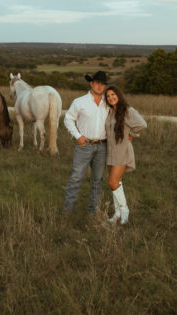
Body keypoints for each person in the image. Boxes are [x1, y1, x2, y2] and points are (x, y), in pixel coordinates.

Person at [62, 71, 110, 215]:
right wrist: (78, 135)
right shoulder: (80, 101)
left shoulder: (108, 103)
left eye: (103, 84)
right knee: (76, 178)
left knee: (97, 180)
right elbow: (68, 119)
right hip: (84, 145)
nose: (100, 86)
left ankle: (94, 212)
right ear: (91, 83)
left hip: (102, 146)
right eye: (97, 83)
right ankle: (68, 212)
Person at [104, 85, 147, 224]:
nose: (111, 98)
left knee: (112, 182)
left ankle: (125, 212)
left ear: (118, 95)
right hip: (110, 152)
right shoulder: (110, 112)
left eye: (113, 94)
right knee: (116, 183)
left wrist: (131, 134)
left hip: (122, 152)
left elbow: (142, 124)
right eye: (108, 96)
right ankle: (117, 213)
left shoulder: (128, 111)